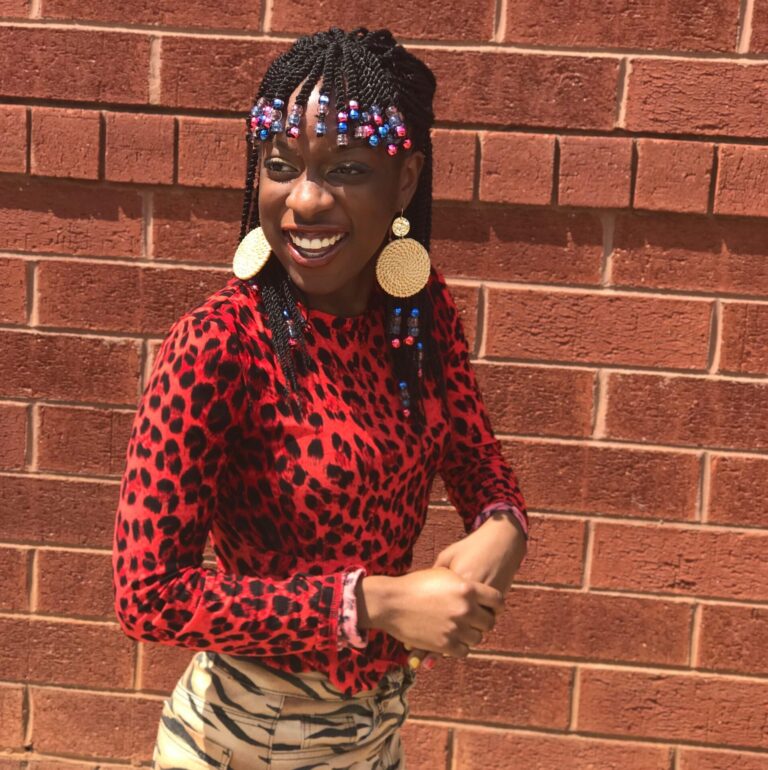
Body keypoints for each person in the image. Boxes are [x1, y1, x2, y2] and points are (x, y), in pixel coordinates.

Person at [111, 26, 529, 770]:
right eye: (281, 166)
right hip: (245, 738)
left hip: (373, 733)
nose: (305, 200)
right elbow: (148, 594)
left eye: (345, 168)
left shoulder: (419, 314)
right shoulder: (218, 346)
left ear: (403, 180)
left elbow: (476, 459)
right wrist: (376, 604)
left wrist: (502, 526)